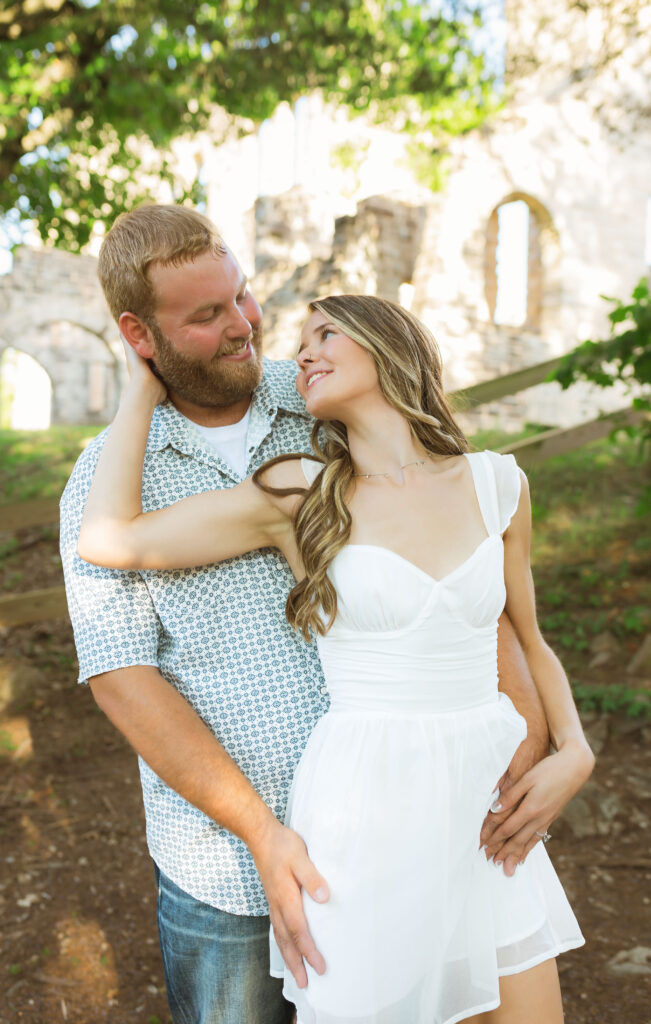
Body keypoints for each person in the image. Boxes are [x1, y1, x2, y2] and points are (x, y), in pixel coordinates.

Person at [76, 286, 594, 1024]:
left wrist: (574, 750)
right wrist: (137, 391)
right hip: (367, 809)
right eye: (302, 340)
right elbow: (108, 539)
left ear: (385, 345)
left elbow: (529, 640)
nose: (303, 352)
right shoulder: (299, 496)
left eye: (325, 334)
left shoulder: (498, 483)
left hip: (482, 813)